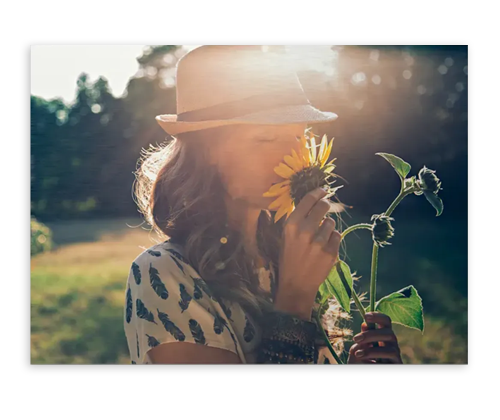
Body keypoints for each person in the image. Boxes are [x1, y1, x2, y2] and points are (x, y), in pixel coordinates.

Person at [124, 45, 403, 364]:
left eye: (299, 137)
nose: (292, 157)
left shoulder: (281, 258)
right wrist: (296, 297)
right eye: (266, 139)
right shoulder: (164, 273)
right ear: (208, 151)